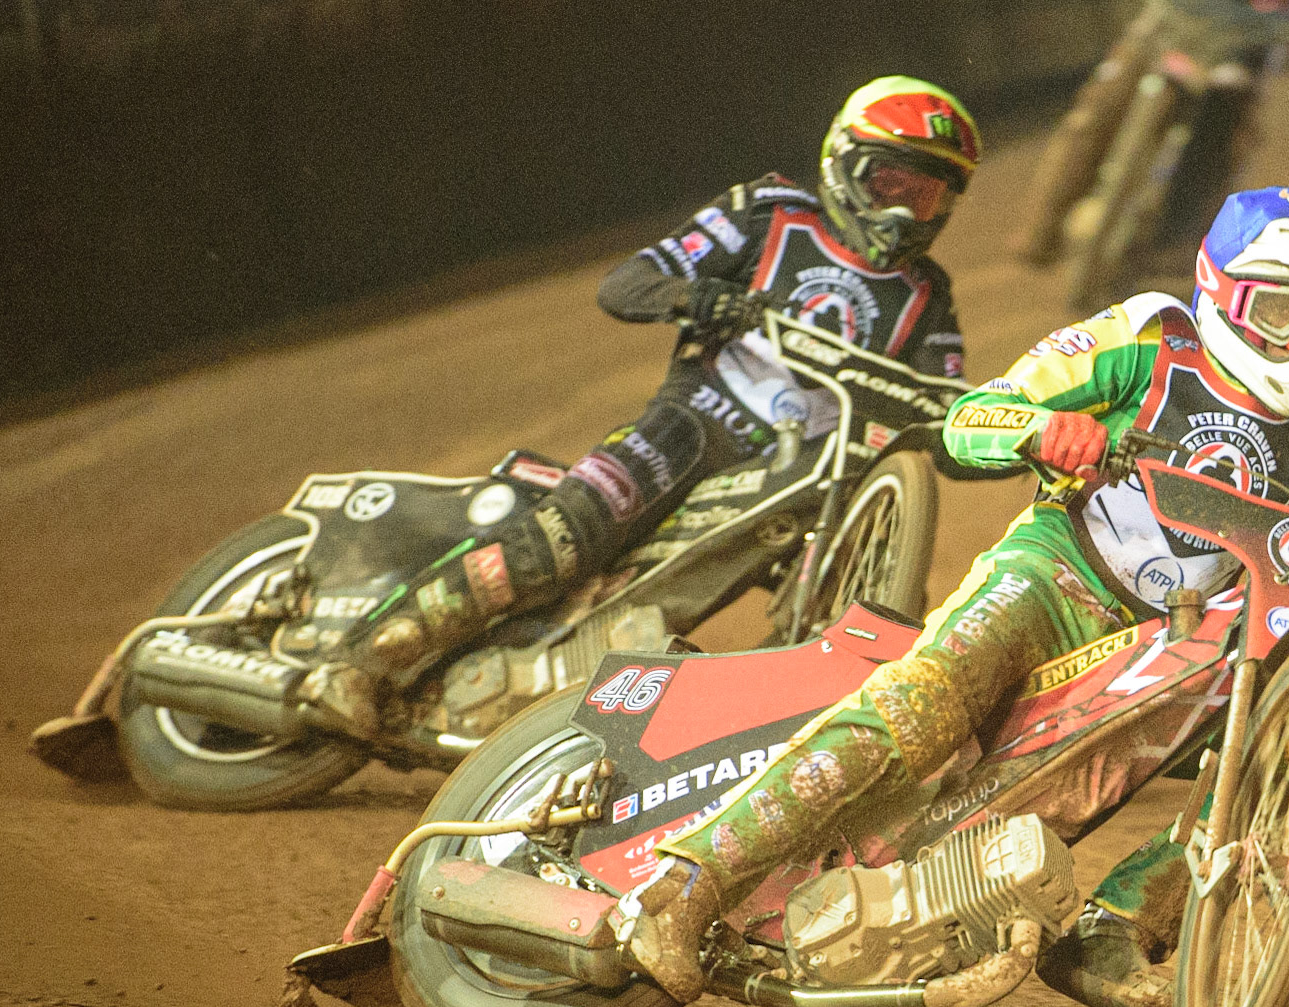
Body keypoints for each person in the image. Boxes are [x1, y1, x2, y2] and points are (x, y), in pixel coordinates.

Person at [615, 187, 1289, 1007]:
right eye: (1281, 313)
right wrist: (1039, 429)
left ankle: (1107, 933)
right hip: (1056, 571)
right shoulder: (1145, 338)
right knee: (926, 702)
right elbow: (971, 418)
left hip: (1167, 644)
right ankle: (691, 882)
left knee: (1260, 764)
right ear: (1220, 293)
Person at [302, 77, 982, 732]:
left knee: (876, 605)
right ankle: (361, 662)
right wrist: (697, 296)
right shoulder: (769, 212)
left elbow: (942, 405)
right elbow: (626, 284)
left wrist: (1003, 431)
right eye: (888, 184)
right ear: (843, 164)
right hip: (697, 423)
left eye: (923, 197)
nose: (900, 212)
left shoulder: (927, 295)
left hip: (804, 481)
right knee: (566, 535)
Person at [1013, 0, 1289, 270]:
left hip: (1252, 38)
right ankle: (1042, 230)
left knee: (1227, 136)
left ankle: (1179, 246)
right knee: (1097, 112)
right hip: (1180, 17)